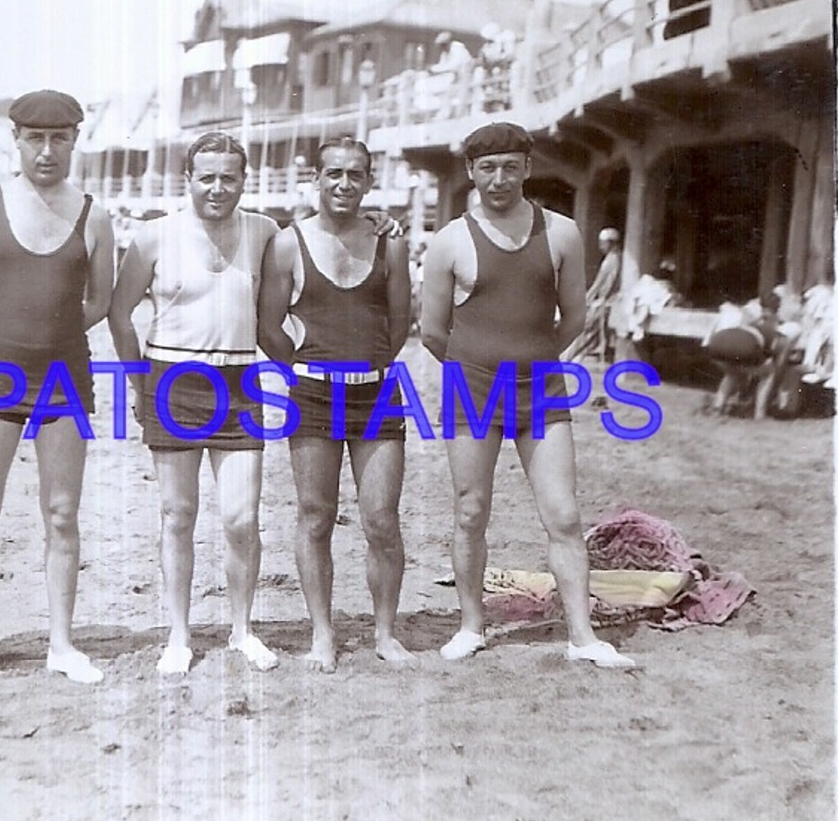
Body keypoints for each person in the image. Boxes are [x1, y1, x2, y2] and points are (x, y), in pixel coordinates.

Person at [418, 121, 635, 668]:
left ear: (527, 169)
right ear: (470, 172)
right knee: (471, 511)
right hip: (472, 387)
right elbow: (431, 331)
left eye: (510, 167)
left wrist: (531, 360)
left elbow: (575, 318)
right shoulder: (450, 241)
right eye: (487, 169)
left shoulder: (561, 232)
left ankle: (582, 637)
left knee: (563, 512)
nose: (499, 180)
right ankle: (472, 625)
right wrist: (477, 368)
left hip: (540, 387)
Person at [0, 89, 114, 691]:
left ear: (75, 141)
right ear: (16, 139)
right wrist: (2, 333)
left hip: (65, 376)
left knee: (62, 514)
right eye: (35, 138)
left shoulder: (94, 213)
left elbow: (100, 302)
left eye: (59, 138)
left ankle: (62, 644)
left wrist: (50, 336)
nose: (47, 150)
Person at [107, 131, 281, 675]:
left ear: (244, 180)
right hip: (170, 380)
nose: (217, 187)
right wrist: (138, 385)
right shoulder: (154, 236)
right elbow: (119, 313)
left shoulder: (267, 232)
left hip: (239, 383)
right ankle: (179, 635)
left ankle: (243, 630)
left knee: (240, 517)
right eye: (206, 176)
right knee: (177, 514)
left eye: (229, 176)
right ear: (188, 179)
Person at [258, 137, 415, 671]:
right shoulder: (286, 243)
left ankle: (386, 633)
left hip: (376, 392)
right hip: (313, 392)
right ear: (316, 179)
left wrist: (365, 364)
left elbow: (399, 326)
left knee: (382, 520)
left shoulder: (390, 242)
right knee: (315, 516)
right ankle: (322, 632)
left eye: (355, 175)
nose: (344, 184)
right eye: (334, 174)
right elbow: (267, 326)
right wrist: (304, 366)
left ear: (369, 181)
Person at [576, 227, 624, 363]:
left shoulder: (613, 259)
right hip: (605, 299)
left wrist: (591, 299)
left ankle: (585, 353)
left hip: (609, 300)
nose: (600, 246)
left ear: (611, 243)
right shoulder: (612, 258)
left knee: (587, 322)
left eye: (603, 243)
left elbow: (603, 283)